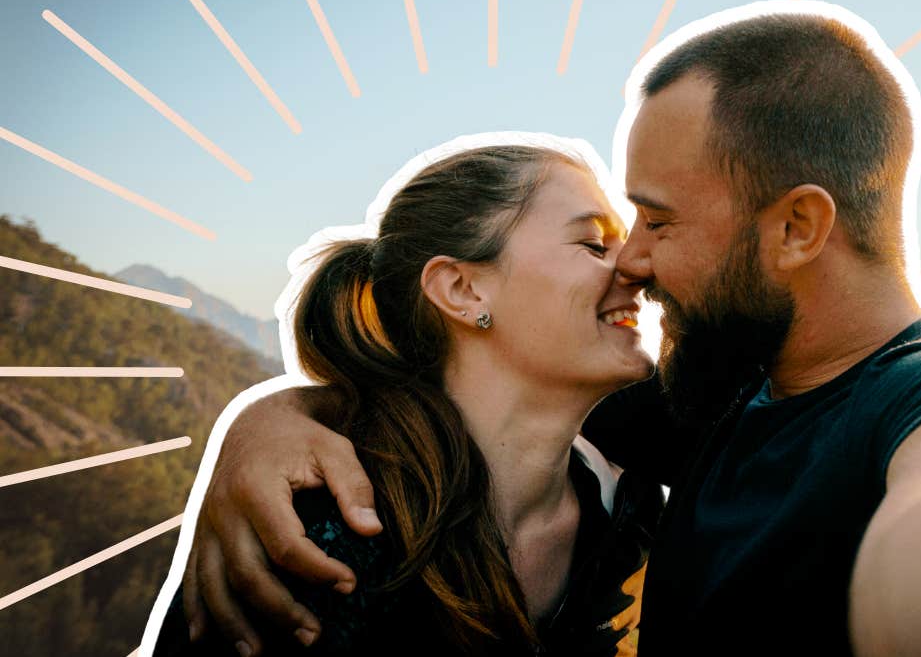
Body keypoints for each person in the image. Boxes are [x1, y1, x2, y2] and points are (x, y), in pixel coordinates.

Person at [158, 2, 921, 656]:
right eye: (605, 231)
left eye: (655, 222)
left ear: (796, 229)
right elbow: (453, 393)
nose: (631, 259)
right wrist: (271, 418)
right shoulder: (707, 390)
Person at [143, 140, 665, 656]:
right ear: (463, 290)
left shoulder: (631, 509)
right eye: (594, 244)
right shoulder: (320, 534)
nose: (638, 268)